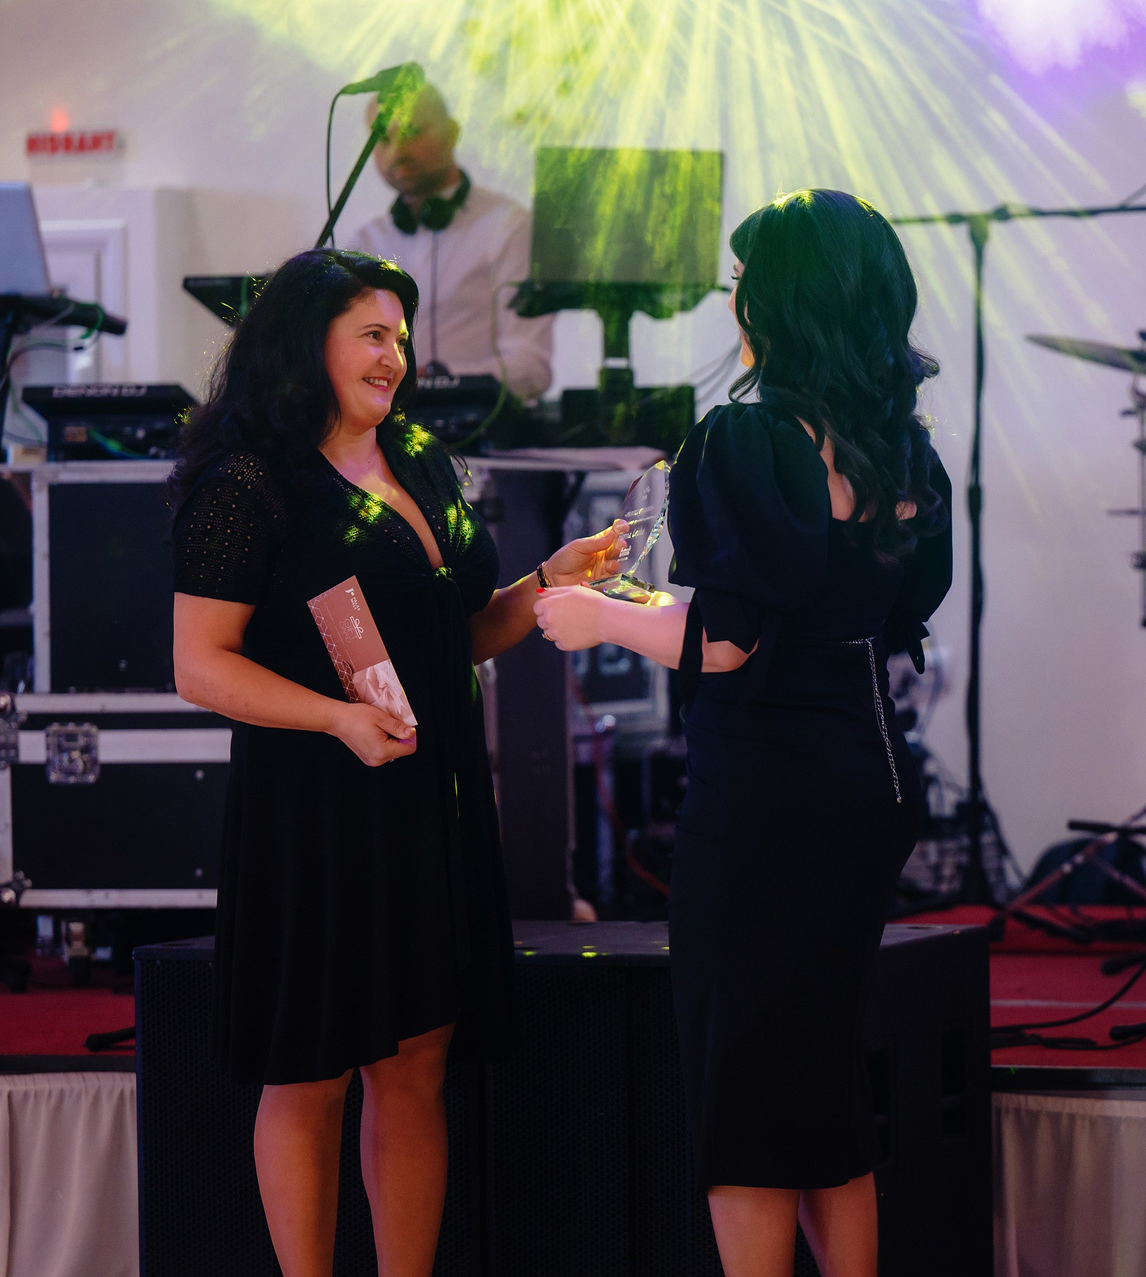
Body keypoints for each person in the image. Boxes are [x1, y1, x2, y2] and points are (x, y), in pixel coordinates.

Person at [169, 248, 620, 1276]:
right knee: (310, 1075)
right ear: (306, 343)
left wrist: (549, 582)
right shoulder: (248, 482)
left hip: (429, 801)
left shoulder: (416, 456)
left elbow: (457, 631)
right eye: (373, 334)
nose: (396, 357)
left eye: (402, 338)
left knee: (417, 1065)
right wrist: (335, 718)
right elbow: (200, 664)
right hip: (314, 815)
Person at [534, 189, 951, 1277]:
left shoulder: (749, 435)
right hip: (870, 776)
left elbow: (729, 641)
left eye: (741, 281)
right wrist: (650, 608)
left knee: (746, 1091)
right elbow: (875, 613)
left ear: (777, 301)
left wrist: (597, 617)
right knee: (820, 1082)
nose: (733, 299)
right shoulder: (903, 450)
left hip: (770, 793)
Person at [348, 82, 556, 401]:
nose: (398, 152)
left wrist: (437, 381)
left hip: (482, 429)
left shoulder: (508, 226)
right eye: (383, 139)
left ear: (452, 133)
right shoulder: (364, 243)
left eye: (412, 132)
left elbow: (530, 367)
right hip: (382, 428)